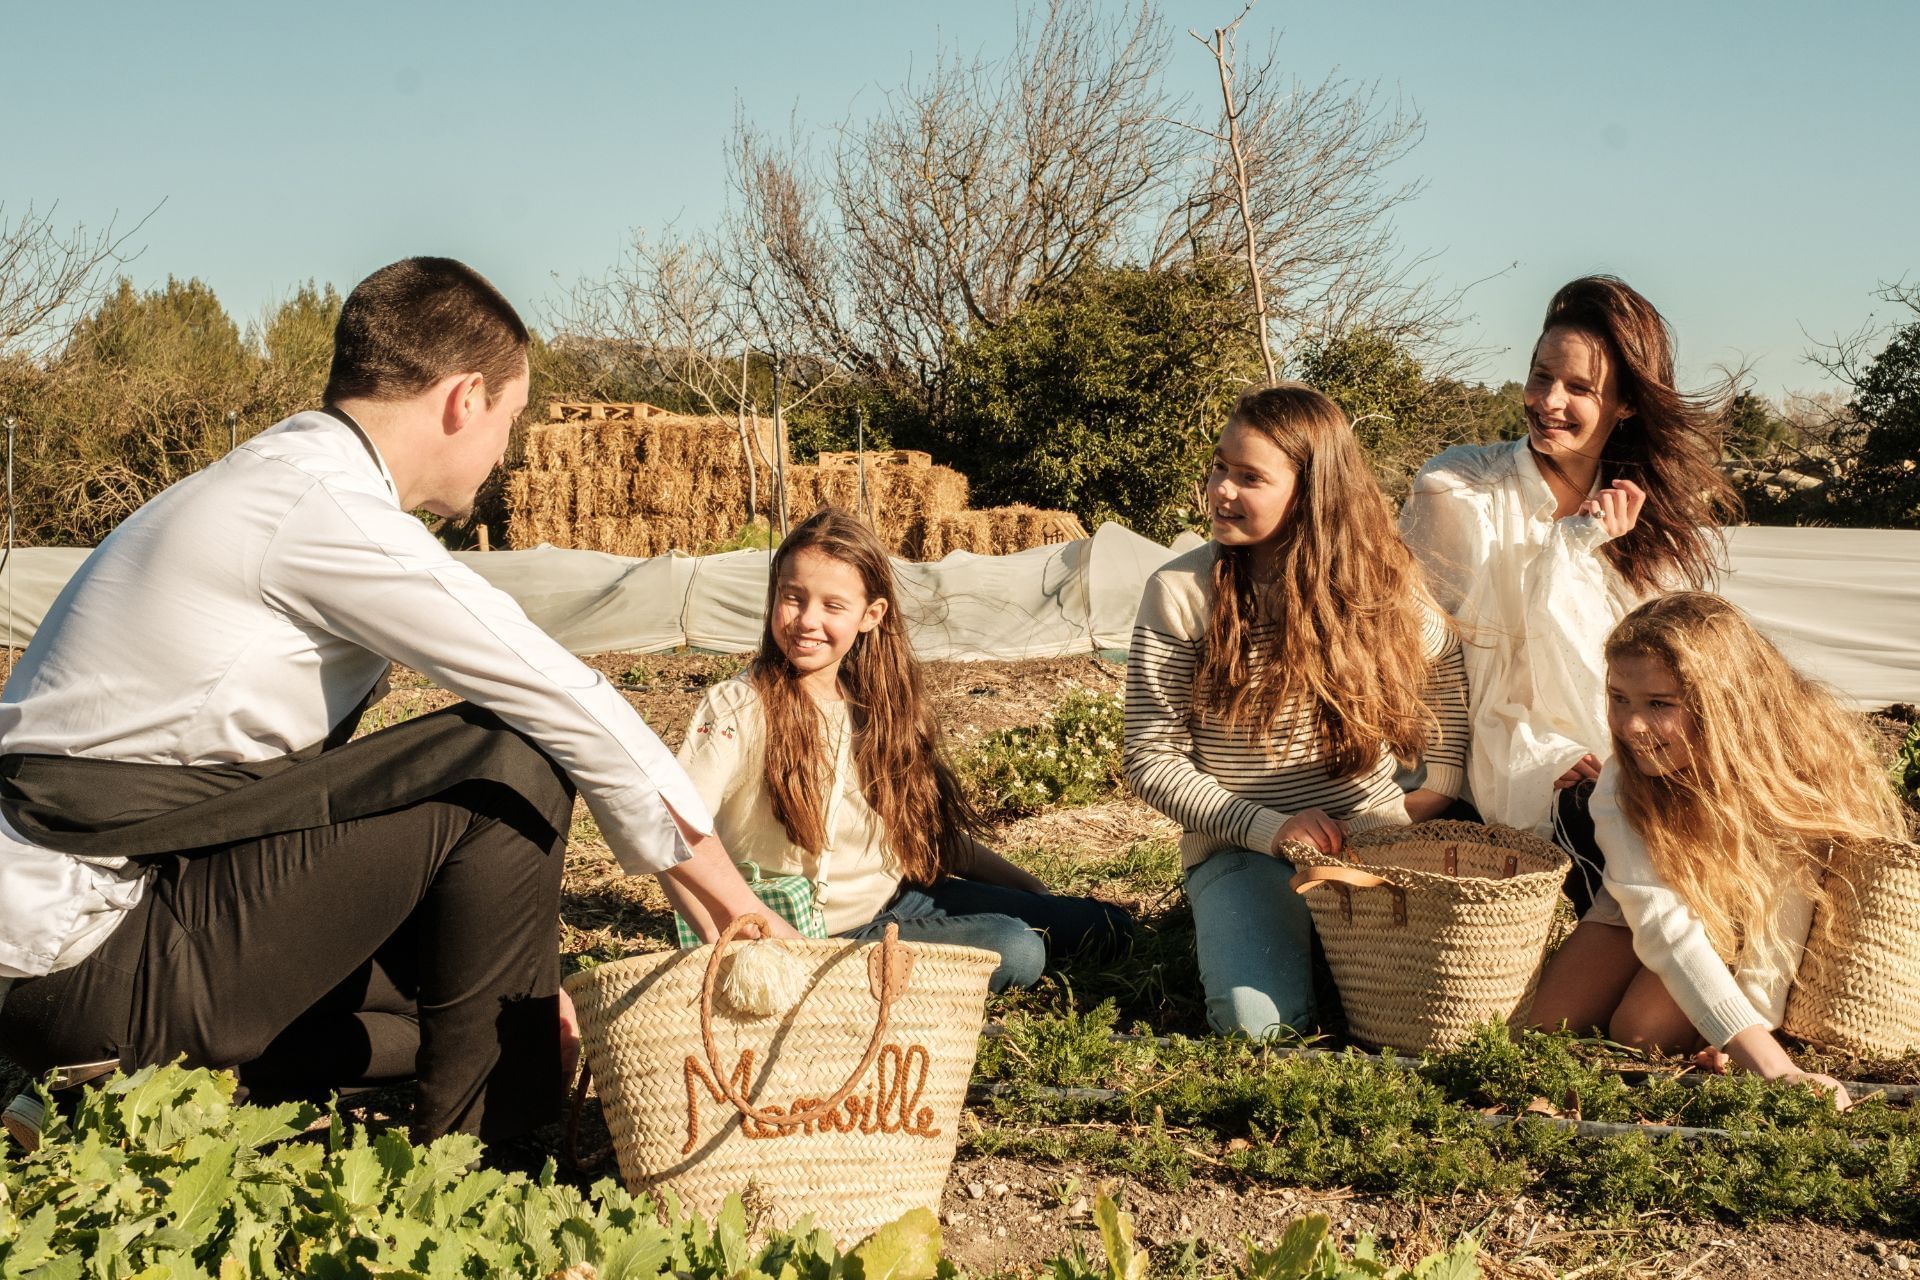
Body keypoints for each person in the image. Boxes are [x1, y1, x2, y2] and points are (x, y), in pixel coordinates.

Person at [0, 257, 790, 1147]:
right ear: (464, 400)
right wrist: (735, 910)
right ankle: (496, 1160)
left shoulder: (273, 481)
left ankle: (89, 1087)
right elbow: (560, 694)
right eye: (511, 422)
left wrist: (529, 983)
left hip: (84, 943)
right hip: (89, 948)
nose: (504, 456)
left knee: (481, 1012)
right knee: (513, 758)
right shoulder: (320, 506)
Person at [1124, 383, 1470, 1039]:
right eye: (1221, 467)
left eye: (1250, 477)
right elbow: (1149, 758)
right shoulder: (1180, 592)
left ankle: (1311, 941)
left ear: (1310, 492)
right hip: (1241, 844)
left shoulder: (1377, 586)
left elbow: (1445, 655)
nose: (1222, 489)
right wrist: (1270, 828)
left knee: (1440, 1013)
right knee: (1259, 1030)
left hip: (1369, 836)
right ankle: (1253, 922)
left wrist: (1441, 783)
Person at [673, 507, 1136, 992]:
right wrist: (730, 925)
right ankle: (842, 981)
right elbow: (675, 830)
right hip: (818, 934)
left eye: (833, 606)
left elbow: (924, 837)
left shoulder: (878, 703)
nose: (807, 620)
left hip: (901, 898)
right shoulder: (739, 706)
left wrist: (1027, 887)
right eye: (793, 598)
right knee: (1017, 947)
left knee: (1106, 926)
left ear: (871, 615)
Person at [1399, 276, 1740, 909]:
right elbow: (1439, 657)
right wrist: (1573, 545)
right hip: (1489, 754)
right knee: (1602, 813)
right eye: (1540, 377)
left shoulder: (1649, 516)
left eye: (1580, 388)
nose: (1549, 401)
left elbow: (1664, 662)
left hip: (1622, 739)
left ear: (1627, 404)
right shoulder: (1457, 489)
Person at [1528, 593, 1905, 1109]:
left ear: (1721, 702)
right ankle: (1700, 987)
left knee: (1639, 1030)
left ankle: (1711, 987)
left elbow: (1788, 914)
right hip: (1650, 905)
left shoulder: (1787, 769)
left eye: (1659, 704)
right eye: (1619, 698)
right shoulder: (1621, 780)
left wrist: (1759, 1041)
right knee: (1543, 1026)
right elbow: (1659, 918)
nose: (1632, 726)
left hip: (1746, 917)